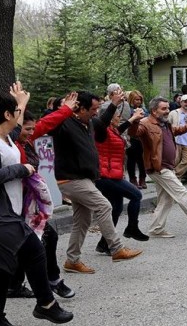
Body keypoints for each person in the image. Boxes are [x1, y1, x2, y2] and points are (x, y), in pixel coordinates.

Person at [0, 84, 73, 325]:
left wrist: (20, 102)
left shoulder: (4, 137)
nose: (19, 115)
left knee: (3, 267)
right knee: (34, 249)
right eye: (15, 111)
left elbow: (16, 128)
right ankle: (46, 305)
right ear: (7, 115)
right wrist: (21, 169)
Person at [50, 90, 143, 274]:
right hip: (71, 178)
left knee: (82, 221)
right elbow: (50, 123)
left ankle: (72, 261)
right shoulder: (64, 123)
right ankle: (116, 248)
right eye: (93, 109)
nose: (95, 112)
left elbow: (102, 124)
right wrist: (62, 110)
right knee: (104, 206)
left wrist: (114, 104)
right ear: (79, 108)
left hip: (83, 178)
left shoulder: (88, 124)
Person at [8, 94, 79, 300]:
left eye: (32, 129)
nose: (31, 133)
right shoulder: (10, 143)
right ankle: (52, 281)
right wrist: (20, 104)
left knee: (29, 243)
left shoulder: (27, 139)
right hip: (16, 204)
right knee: (47, 237)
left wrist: (66, 109)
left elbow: (46, 124)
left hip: (29, 203)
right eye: (27, 129)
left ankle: (13, 285)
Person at [128, 97, 187, 238]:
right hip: (158, 167)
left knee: (166, 199)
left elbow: (176, 130)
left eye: (168, 108)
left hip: (167, 166)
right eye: (163, 109)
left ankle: (156, 229)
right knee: (181, 192)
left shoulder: (165, 123)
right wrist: (134, 120)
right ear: (153, 111)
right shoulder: (145, 123)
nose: (167, 111)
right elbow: (134, 133)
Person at [94, 104, 150, 256]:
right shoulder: (102, 131)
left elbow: (120, 130)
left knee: (116, 208)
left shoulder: (112, 130)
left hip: (113, 174)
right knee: (136, 195)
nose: (119, 117)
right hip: (106, 175)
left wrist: (133, 119)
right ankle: (132, 228)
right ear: (109, 117)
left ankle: (104, 243)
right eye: (117, 115)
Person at [169, 94, 187, 178]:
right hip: (176, 140)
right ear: (181, 102)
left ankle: (174, 176)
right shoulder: (174, 113)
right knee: (174, 161)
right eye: (185, 102)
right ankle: (173, 179)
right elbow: (167, 125)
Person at [126, 90, 149, 189]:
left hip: (142, 137)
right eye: (136, 99)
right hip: (131, 137)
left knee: (142, 159)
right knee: (131, 158)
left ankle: (142, 178)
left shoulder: (144, 109)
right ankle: (132, 179)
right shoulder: (128, 109)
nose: (138, 101)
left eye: (140, 99)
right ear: (131, 99)